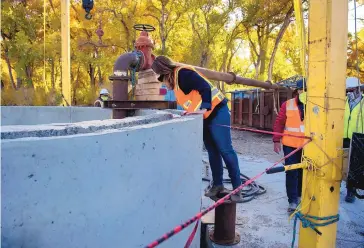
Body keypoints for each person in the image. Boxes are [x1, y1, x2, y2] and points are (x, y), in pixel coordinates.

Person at [151, 56, 243, 203]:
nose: (163, 84)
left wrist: (204, 107)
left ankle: (238, 190)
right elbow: (192, 100)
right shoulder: (176, 84)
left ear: (166, 73)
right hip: (205, 116)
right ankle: (218, 185)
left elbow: (204, 87)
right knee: (212, 152)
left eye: (162, 80)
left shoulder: (182, 74)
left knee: (225, 150)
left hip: (217, 111)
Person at [273, 78, 306, 213]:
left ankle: (300, 195)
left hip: (307, 146)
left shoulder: (315, 106)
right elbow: (279, 122)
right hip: (290, 145)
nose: (303, 92)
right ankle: (292, 201)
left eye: (306, 90)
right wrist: (276, 140)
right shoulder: (287, 104)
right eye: (301, 89)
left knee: (304, 171)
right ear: (296, 91)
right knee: (291, 172)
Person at [343, 77, 364, 203]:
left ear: (358, 89)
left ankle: (350, 191)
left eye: (351, 89)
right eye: (348, 90)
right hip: (342, 136)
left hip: (358, 139)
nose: (349, 92)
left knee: (353, 166)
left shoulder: (363, 102)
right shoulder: (343, 101)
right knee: (340, 162)